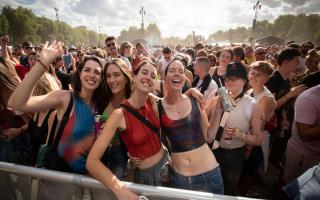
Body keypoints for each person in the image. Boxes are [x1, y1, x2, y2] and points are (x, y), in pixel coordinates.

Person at [8, 41, 106, 174]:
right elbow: (16, 103)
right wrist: (42, 64)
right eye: (87, 70)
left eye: (97, 72)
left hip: (88, 182)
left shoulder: (102, 107)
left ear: (101, 79)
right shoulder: (65, 98)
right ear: (80, 74)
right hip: (60, 181)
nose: (92, 75)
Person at [87, 61, 170, 200]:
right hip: (146, 178)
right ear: (134, 77)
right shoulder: (119, 114)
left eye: (152, 75)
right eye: (144, 73)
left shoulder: (152, 100)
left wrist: (190, 92)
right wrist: (120, 190)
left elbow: (174, 104)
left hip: (167, 168)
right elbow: (92, 162)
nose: (148, 77)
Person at [157, 59, 224, 194]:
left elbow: (209, 137)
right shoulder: (157, 106)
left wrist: (218, 111)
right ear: (164, 77)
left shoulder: (195, 101)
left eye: (181, 71)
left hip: (210, 174)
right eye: (172, 70)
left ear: (185, 78)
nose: (177, 74)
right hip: (181, 180)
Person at [211, 62, 263, 195]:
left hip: (233, 155)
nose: (229, 81)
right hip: (211, 150)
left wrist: (239, 134)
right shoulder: (215, 97)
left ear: (244, 80)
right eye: (227, 78)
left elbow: (258, 140)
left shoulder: (252, 105)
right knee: (211, 188)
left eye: (234, 78)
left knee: (228, 189)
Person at [239, 61, 276, 196]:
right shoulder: (250, 90)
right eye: (251, 73)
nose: (253, 77)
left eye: (258, 75)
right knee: (244, 170)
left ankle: (244, 193)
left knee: (248, 172)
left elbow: (259, 126)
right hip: (246, 136)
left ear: (266, 78)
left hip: (255, 142)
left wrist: (249, 148)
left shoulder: (266, 99)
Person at [99, 58, 132, 180]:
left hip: (120, 157)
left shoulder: (134, 100)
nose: (111, 80)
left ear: (126, 76)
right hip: (98, 152)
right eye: (108, 76)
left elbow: (162, 102)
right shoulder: (102, 97)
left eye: (116, 75)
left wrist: (189, 92)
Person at [282, 84, 320, 184]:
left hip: (314, 156)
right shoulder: (309, 98)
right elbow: (304, 135)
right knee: (290, 188)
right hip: (303, 156)